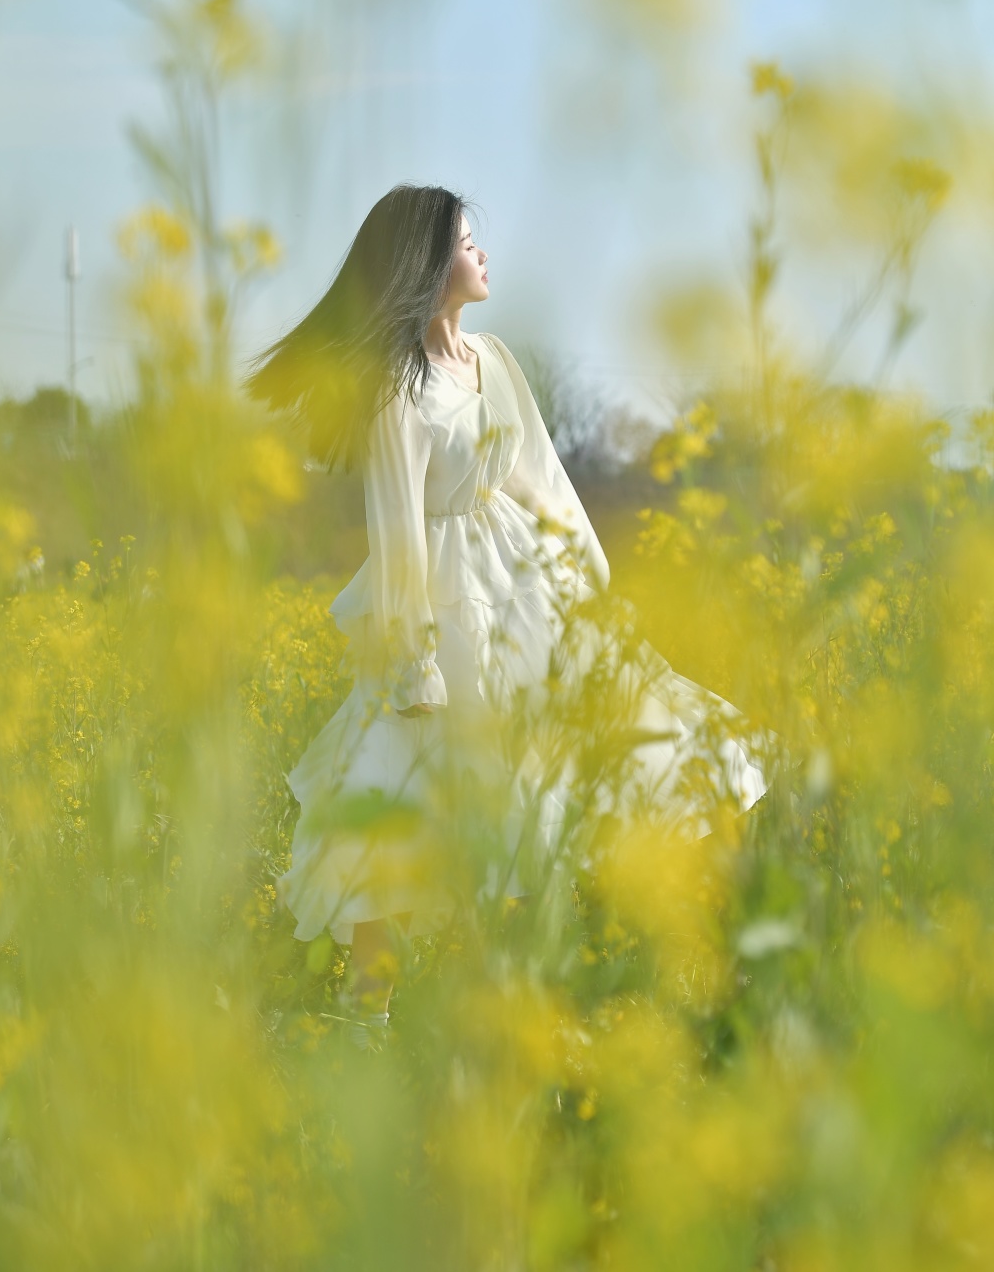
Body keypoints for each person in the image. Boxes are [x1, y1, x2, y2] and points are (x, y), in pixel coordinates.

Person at [244, 183, 767, 1046]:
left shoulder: (493, 362)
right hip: (445, 607)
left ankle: (525, 1002)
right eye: (464, 239)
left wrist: (593, 586)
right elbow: (399, 528)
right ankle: (368, 1012)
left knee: (542, 780)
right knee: (388, 780)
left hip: (522, 583)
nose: (481, 252)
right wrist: (410, 660)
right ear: (425, 265)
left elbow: (541, 480)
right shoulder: (394, 395)